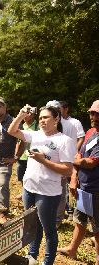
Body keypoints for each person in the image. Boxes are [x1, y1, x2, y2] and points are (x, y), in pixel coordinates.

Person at [8, 105, 76, 265]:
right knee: (33, 226)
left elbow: (67, 170)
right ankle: (32, 257)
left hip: (48, 193)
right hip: (29, 189)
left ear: (57, 119)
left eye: (46, 117)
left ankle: (47, 262)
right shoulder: (36, 135)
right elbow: (12, 131)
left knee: (49, 230)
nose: (42, 121)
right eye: (40, 118)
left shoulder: (64, 141)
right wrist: (20, 115)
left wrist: (43, 160)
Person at [58, 100, 99, 265]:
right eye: (92, 113)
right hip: (84, 187)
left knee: (97, 227)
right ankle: (72, 249)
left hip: (96, 190)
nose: (94, 116)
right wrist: (74, 179)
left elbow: (92, 162)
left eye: (98, 114)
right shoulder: (90, 132)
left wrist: (76, 160)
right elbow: (80, 158)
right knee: (80, 219)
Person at [46, 100, 79, 225]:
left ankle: (59, 218)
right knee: (50, 192)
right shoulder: (46, 124)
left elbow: (73, 146)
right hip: (48, 164)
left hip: (63, 164)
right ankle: (50, 217)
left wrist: (69, 166)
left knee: (62, 193)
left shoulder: (70, 125)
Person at [14, 109, 38, 198]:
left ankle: (32, 194)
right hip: (22, 156)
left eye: (28, 114)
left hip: (32, 156)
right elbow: (18, 141)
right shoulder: (21, 125)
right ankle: (24, 192)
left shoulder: (38, 126)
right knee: (21, 175)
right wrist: (16, 154)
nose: (25, 115)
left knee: (32, 177)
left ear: (33, 115)